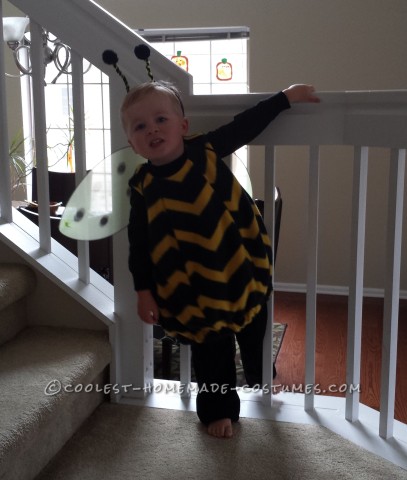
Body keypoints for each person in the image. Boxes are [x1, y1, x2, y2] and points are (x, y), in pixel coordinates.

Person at [122, 81, 319, 438]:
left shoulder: (206, 150)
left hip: (238, 270)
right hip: (190, 291)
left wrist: (284, 97)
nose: (151, 128)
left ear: (182, 126)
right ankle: (219, 410)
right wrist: (144, 291)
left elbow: (245, 125)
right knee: (211, 355)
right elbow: (138, 244)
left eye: (160, 119)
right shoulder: (143, 187)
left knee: (255, 330)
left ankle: (262, 377)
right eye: (139, 126)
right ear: (132, 143)